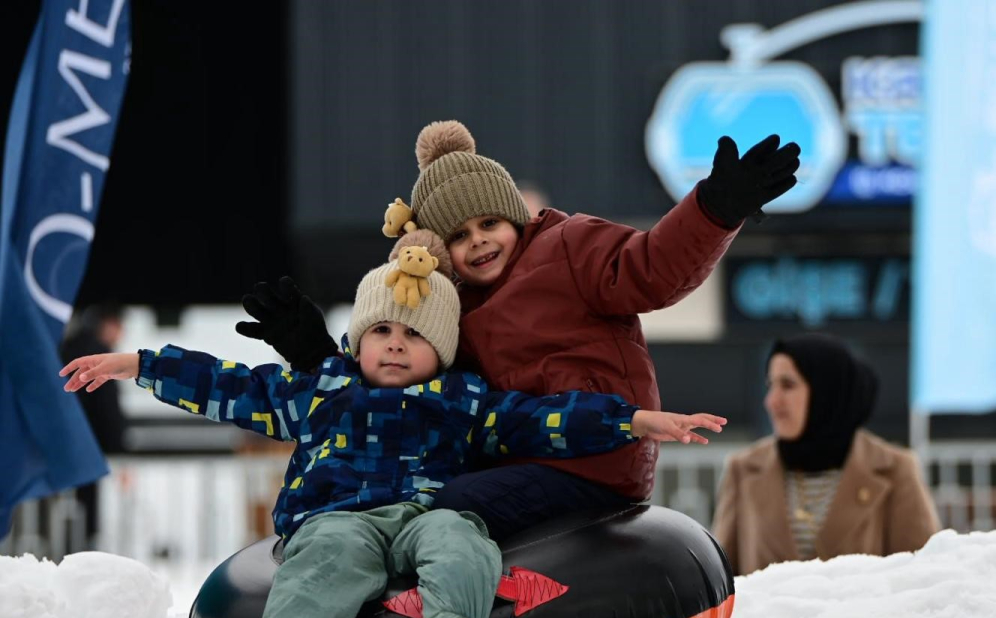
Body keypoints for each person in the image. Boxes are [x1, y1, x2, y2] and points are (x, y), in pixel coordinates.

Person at [61, 259, 724, 618]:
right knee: (318, 571)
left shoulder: (460, 401)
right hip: (336, 521)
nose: (396, 344)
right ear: (357, 341)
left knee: (460, 540)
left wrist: (633, 422)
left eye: (415, 335)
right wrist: (137, 364)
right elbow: (228, 385)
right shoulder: (319, 390)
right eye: (381, 331)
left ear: (441, 349)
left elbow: (541, 418)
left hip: (423, 512)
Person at [235, 120, 800, 540]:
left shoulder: (571, 245)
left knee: (453, 505)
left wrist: (713, 210)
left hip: (592, 452)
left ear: (516, 218)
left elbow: (651, 268)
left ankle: (485, 601)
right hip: (510, 455)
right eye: (459, 235)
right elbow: (391, 367)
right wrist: (313, 352)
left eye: (490, 223)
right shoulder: (444, 302)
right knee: (404, 487)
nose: (479, 241)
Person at [712, 335, 940, 575]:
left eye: (788, 385)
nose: (771, 401)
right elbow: (720, 581)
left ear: (827, 391)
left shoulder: (895, 469)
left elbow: (922, 578)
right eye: (771, 385)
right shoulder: (743, 469)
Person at [60, 305, 129, 549]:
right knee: (85, 508)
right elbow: (107, 407)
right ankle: (80, 552)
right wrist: (120, 449)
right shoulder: (100, 356)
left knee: (58, 507)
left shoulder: (65, 347)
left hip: (59, 443)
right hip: (88, 444)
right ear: (107, 324)